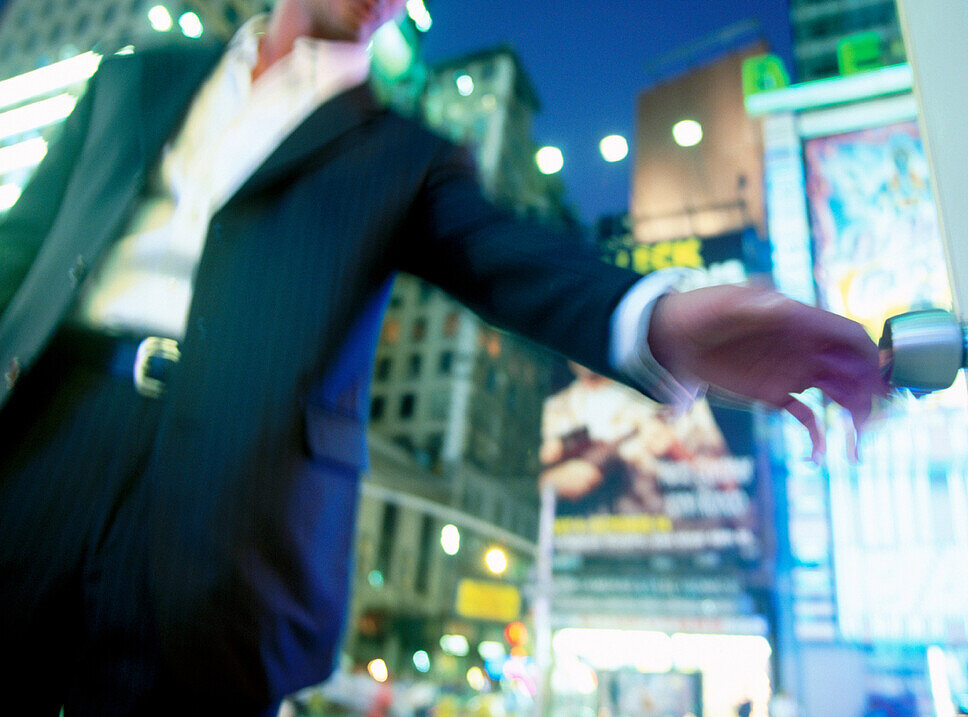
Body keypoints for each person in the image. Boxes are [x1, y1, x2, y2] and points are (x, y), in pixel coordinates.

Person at [0, 0, 886, 714]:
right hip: (48, 439)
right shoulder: (134, 80)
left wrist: (664, 315)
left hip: (224, 509)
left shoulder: (403, 156)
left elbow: (515, 261)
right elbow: (16, 254)